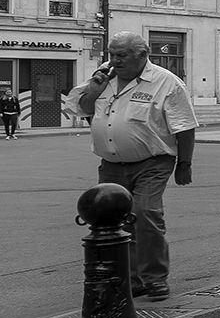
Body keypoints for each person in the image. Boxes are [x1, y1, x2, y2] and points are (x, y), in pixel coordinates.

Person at [73, 31, 200, 301]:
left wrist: (184, 164)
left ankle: (155, 279)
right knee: (115, 220)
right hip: (111, 165)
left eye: (122, 55)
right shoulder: (103, 79)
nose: (115, 61)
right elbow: (81, 109)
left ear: (142, 55)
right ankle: (132, 279)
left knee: (144, 213)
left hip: (152, 161)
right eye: (112, 55)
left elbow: (185, 127)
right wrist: (94, 89)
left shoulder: (166, 83)